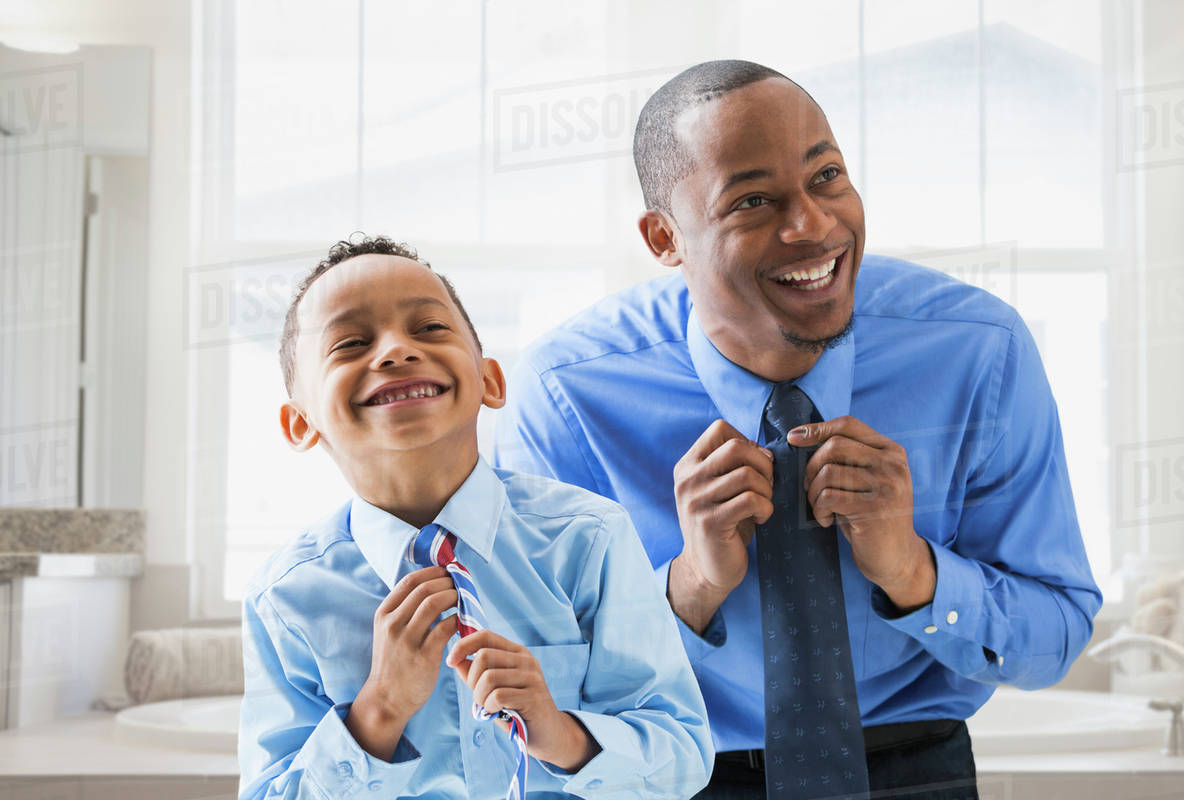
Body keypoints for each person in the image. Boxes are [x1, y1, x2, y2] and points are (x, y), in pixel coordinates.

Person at [493, 60, 1102, 799]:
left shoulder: (977, 351)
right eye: (752, 200)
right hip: (671, 775)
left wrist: (913, 572)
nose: (813, 226)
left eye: (828, 177)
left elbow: (1057, 637)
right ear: (664, 238)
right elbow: (532, 691)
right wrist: (689, 587)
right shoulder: (568, 395)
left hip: (919, 772)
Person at [237, 236, 713, 800]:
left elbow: (682, 757)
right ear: (300, 423)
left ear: (490, 380)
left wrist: (560, 733)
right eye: (351, 342)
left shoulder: (589, 539)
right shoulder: (286, 599)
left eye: (429, 328)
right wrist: (378, 711)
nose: (394, 350)